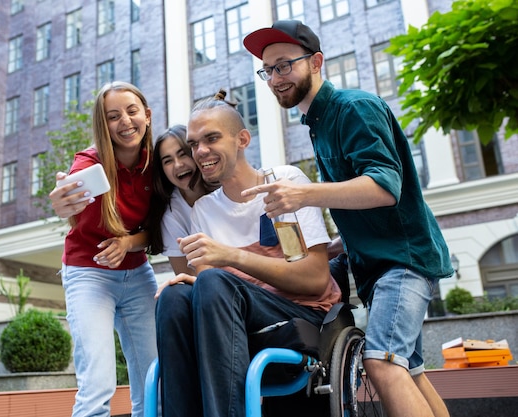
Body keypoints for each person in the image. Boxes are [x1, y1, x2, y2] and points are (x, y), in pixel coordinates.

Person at [242, 20, 453, 417]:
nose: (275, 78)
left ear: (316, 61)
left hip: (402, 262)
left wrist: (303, 194)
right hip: (377, 264)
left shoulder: (355, 107)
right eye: (267, 70)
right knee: (411, 372)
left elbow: (384, 187)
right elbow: (363, 203)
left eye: (284, 65)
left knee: (382, 364)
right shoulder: (318, 123)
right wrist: (336, 243)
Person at [154, 90, 341, 417]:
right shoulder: (203, 211)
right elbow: (215, 295)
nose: (200, 152)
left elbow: (314, 279)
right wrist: (193, 284)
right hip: (234, 321)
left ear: (242, 139)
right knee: (174, 297)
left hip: (301, 313)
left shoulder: (283, 183)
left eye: (211, 138)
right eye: (194, 143)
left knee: (213, 280)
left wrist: (230, 258)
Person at [49, 81, 158, 417]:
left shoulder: (157, 164)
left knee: (153, 377)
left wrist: (127, 243)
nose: (125, 121)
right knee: (98, 382)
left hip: (137, 273)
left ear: (147, 116)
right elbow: (68, 192)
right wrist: (62, 200)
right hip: (88, 274)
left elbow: (156, 232)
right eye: (113, 116)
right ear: (103, 124)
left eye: (131, 111)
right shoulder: (87, 163)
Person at [147, 124, 218, 275]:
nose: (178, 165)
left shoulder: (225, 189)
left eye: (183, 154)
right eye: (168, 161)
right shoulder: (171, 213)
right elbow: (185, 275)